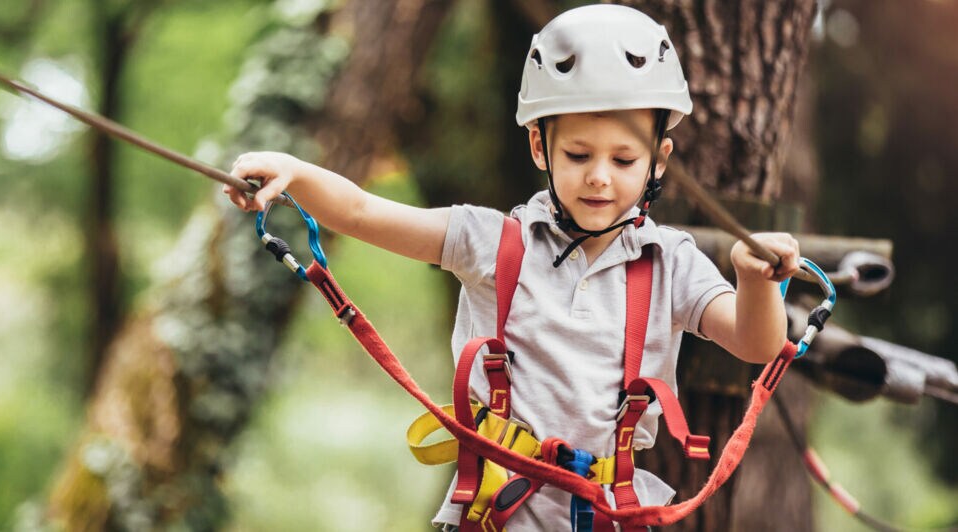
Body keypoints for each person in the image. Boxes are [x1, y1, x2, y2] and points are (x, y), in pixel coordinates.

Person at [223, 4, 800, 530]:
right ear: (539, 148)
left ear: (658, 160)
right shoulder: (489, 241)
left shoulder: (669, 260)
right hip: (498, 513)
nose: (600, 176)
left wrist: (754, 281)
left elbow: (756, 343)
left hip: (608, 514)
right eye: (578, 155)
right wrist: (295, 172)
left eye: (624, 158)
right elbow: (361, 209)